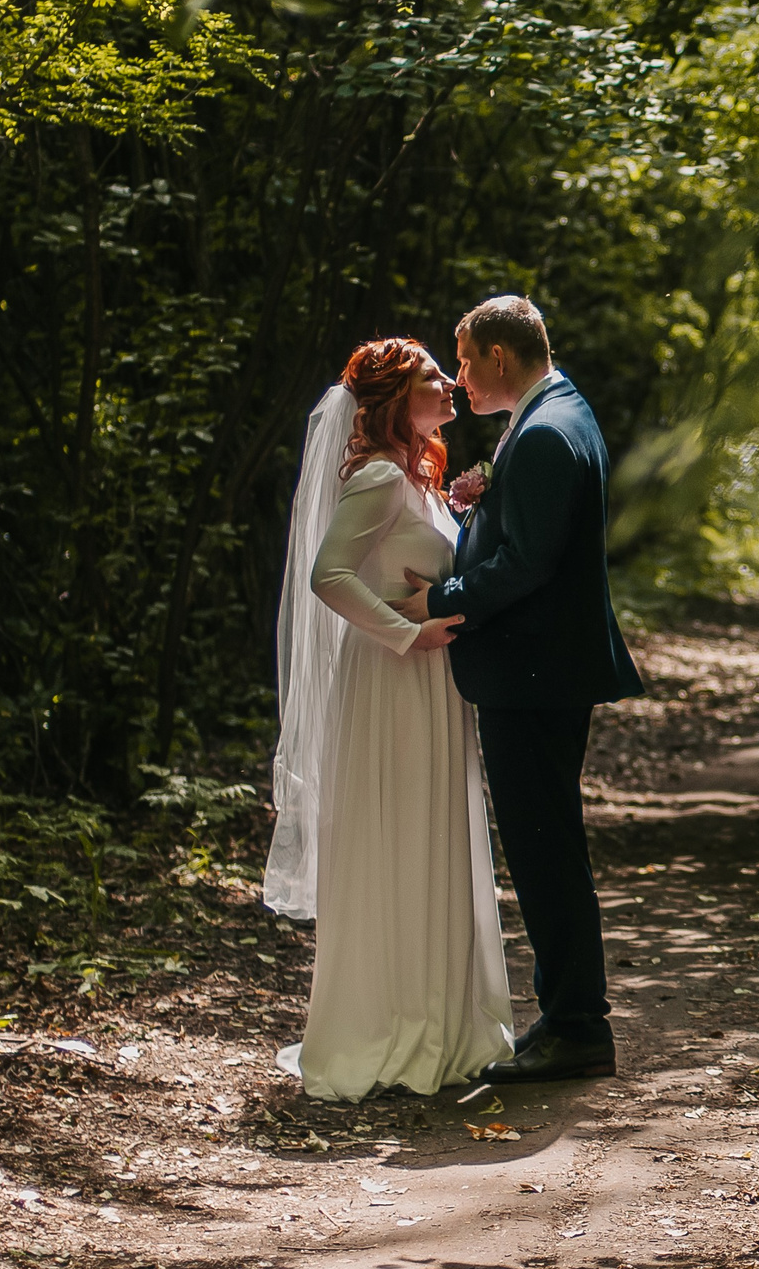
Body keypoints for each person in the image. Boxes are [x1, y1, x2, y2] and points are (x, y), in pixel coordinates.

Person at [391, 294, 646, 1083]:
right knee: (545, 846)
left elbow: (524, 565)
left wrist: (432, 602)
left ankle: (579, 1026)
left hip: (534, 673)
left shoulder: (542, 432)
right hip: (545, 668)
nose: (460, 375)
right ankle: (564, 1013)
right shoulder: (558, 411)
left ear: (500, 357)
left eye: (465, 359)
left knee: (544, 851)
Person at [264, 339, 514, 1100]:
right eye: (430, 378)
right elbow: (328, 575)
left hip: (429, 680)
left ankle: (440, 1016)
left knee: (431, 836)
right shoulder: (375, 474)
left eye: (445, 371)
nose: (448, 384)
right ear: (394, 404)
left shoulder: (419, 476)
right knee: (396, 837)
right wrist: (406, 633)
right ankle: (389, 1025)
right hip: (390, 678)